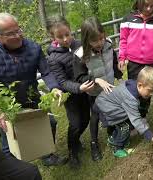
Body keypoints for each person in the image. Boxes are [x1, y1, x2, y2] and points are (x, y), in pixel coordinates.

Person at [0, 13, 66, 166]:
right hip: (4, 105)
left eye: (19, 30)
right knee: (10, 139)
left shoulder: (33, 48)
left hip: (31, 98)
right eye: (11, 33)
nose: (18, 35)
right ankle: (15, 169)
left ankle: (47, 156)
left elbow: (47, 71)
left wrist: (55, 88)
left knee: (50, 123)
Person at [46, 16, 96, 169]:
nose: (66, 39)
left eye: (67, 34)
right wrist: (78, 88)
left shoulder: (80, 45)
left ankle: (77, 141)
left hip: (86, 91)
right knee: (75, 123)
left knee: (86, 120)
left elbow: (89, 63)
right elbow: (62, 81)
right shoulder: (53, 58)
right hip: (71, 95)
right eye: (60, 37)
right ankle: (72, 152)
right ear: (52, 37)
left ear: (70, 29)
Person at [73, 16, 122, 162]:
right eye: (95, 41)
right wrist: (96, 80)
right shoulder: (80, 56)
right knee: (95, 115)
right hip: (94, 91)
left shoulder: (108, 45)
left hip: (109, 86)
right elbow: (80, 77)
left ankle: (112, 132)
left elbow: (113, 63)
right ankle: (94, 143)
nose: (99, 43)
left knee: (110, 109)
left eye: (101, 38)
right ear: (86, 40)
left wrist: (119, 76)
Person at [91, 66, 153, 158]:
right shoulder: (130, 99)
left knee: (129, 122)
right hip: (105, 108)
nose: (151, 94)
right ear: (140, 85)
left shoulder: (133, 84)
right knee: (126, 126)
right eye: (150, 91)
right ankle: (117, 146)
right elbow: (137, 122)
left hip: (105, 101)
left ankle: (114, 136)